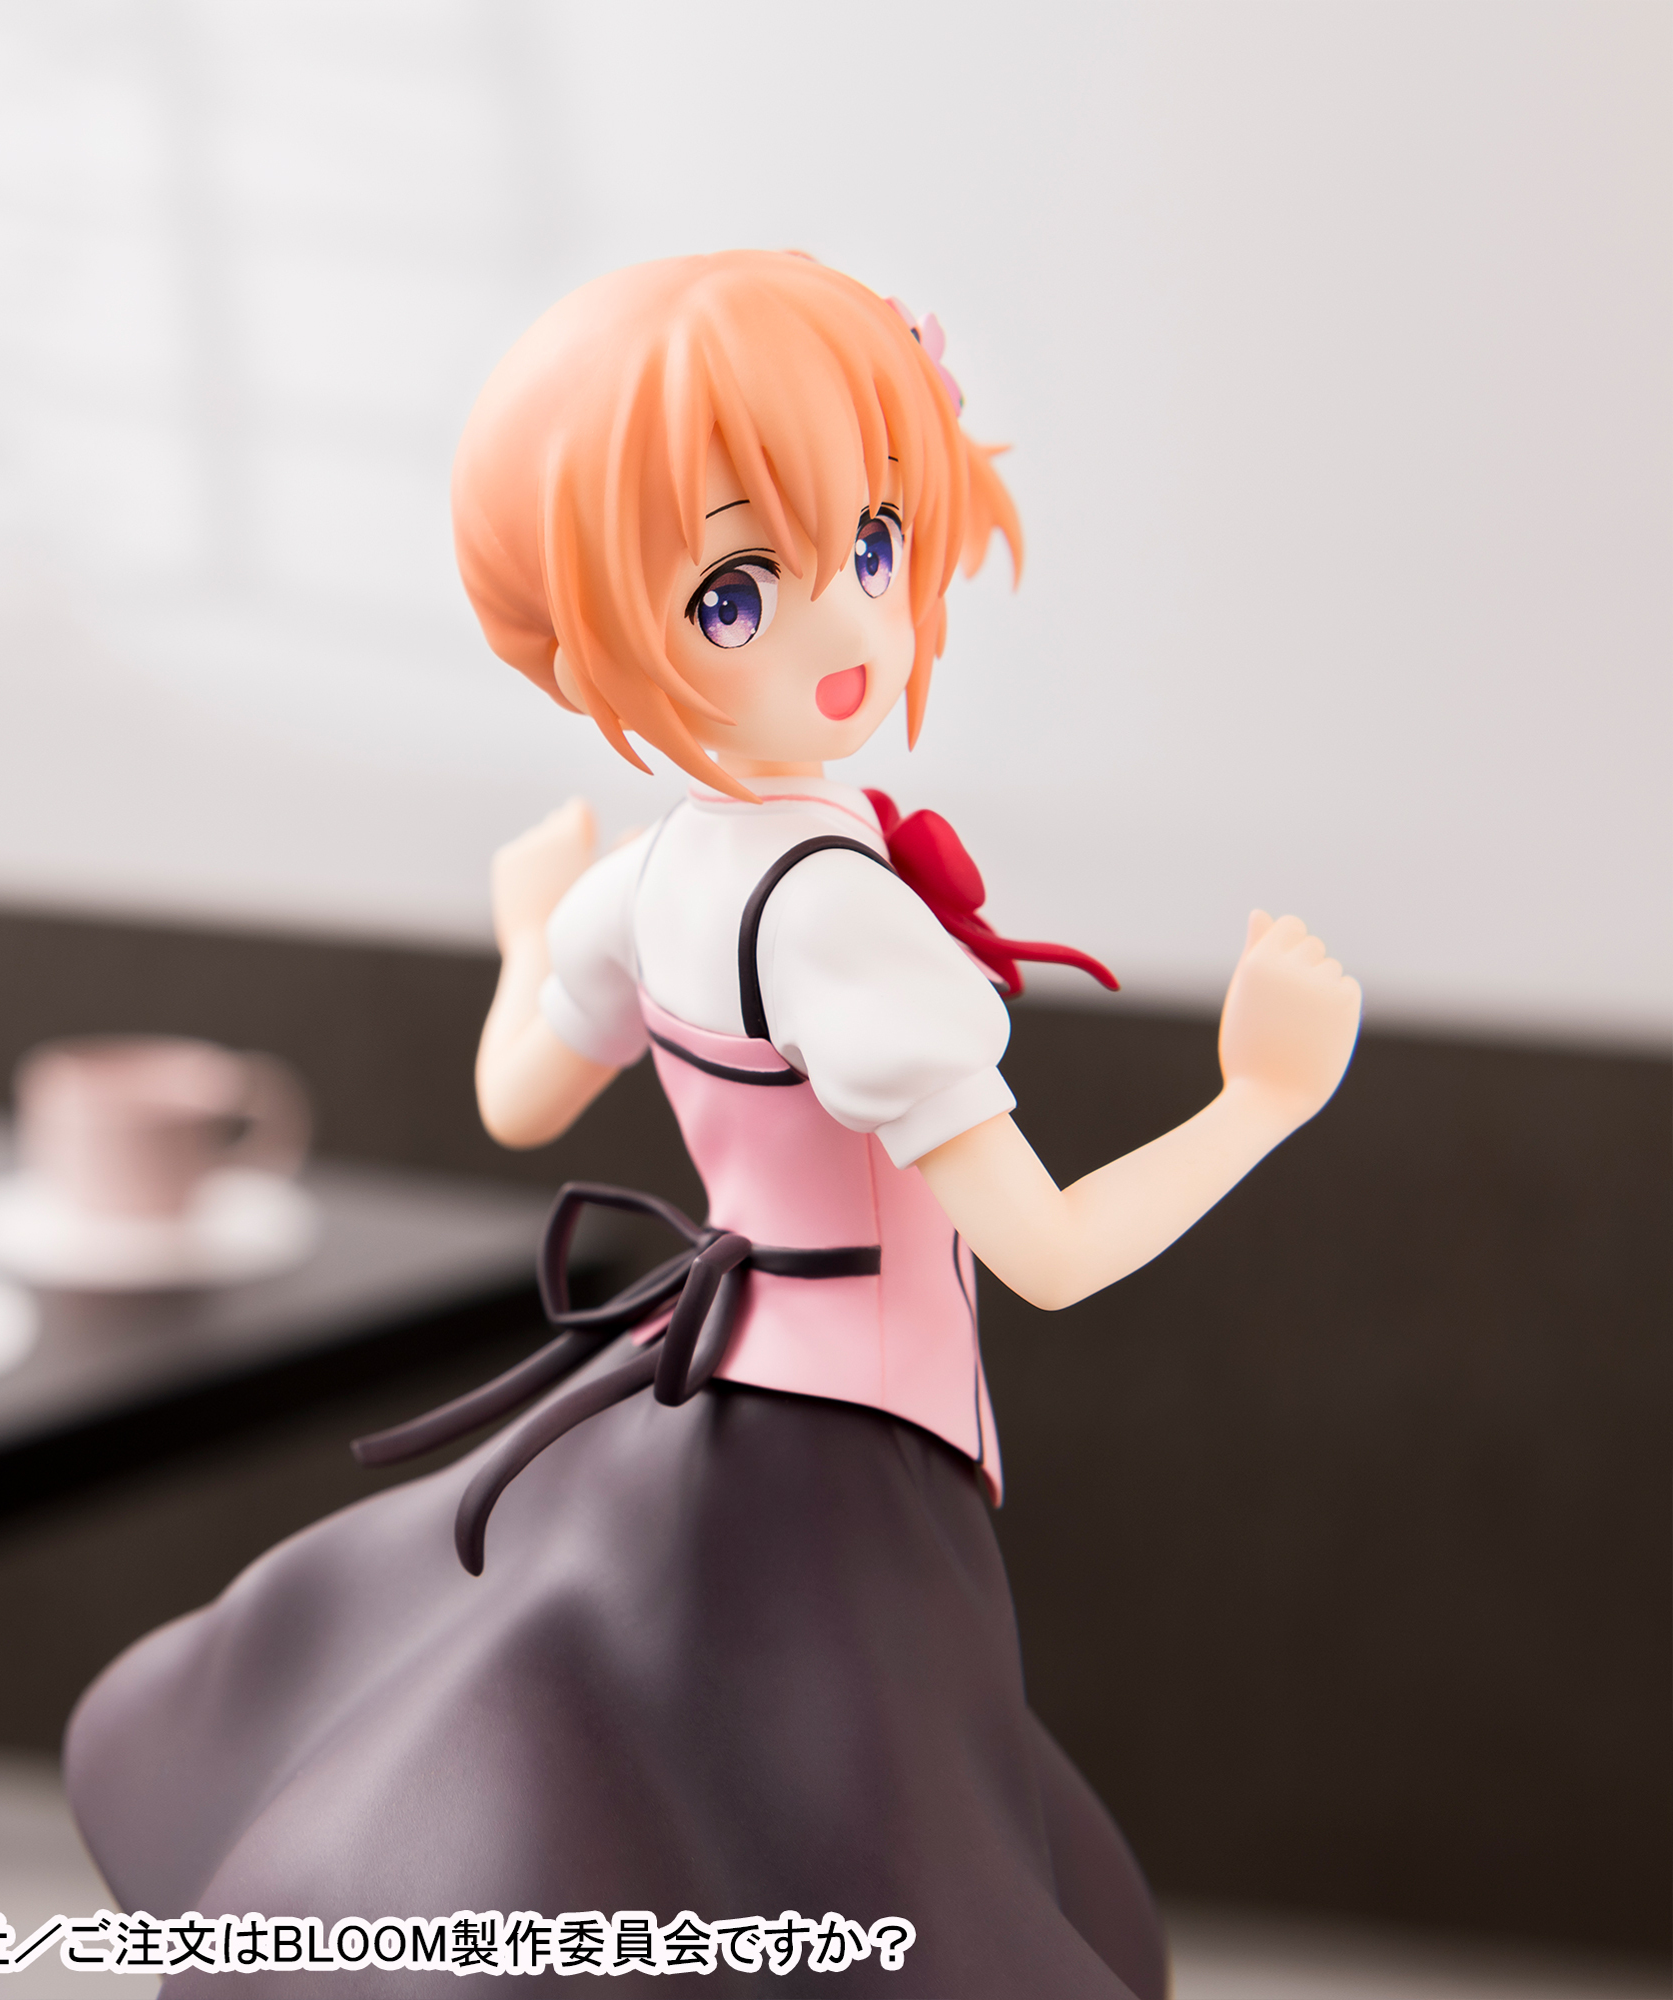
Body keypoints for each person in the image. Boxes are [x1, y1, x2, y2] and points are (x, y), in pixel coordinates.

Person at [65, 251, 1361, 1998]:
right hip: (841, 1474)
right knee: (870, 1874)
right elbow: (1049, 1254)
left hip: (694, 1409)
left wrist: (527, 937)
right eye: (737, 593)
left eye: (872, 546)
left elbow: (516, 1094)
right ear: (595, 630)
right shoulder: (834, 918)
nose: (844, 631)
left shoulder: (648, 876)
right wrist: (1261, 1100)